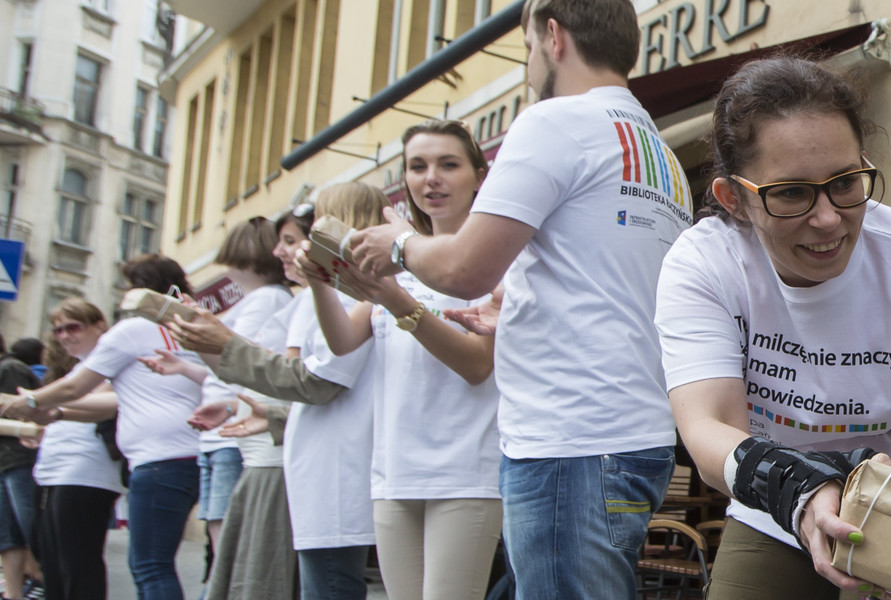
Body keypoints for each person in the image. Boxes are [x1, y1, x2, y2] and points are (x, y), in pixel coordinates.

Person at [349, 2, 693, 598]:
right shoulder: (658, 151)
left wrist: (398, 244)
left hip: (569, 439)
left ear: (553, 37)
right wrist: (518, 310)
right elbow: (610, 286)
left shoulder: (555, 121)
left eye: (528, 48)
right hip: (634, 432)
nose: (529, 64)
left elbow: (462, 267)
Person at [653, 56, 891, 598]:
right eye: (792, 193)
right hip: (772, 505)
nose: (827, 219)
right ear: (735, 199)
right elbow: (708, 432)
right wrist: (801, 489)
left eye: (845, 182)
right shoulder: (705, 263)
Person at [298, 121, 502, 599]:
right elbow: (344, 341)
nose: (431, 177)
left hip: (465, 469)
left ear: (478, 175)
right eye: (418, 166)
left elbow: (477, 366)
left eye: (448, 165)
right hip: (393, 469)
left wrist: (394, 300)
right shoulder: (394, 256)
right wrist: (319, 281)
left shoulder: (493, 259)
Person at [164, 188, 382, 600]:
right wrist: (267, 412)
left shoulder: (350, 292)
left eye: (310, 225)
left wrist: (223, 343)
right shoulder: (333, 293)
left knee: (325, 585)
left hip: (333, 471)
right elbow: (317, 385)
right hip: (316, 466)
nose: (288, 249)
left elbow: (316, 382)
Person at [0, 255, 205, 600]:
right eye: (59, 329)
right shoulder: (192, 328)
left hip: (153, 459)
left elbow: (74, 389)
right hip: (183, 454)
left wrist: (31, 401)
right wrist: (52, 412)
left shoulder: (135, 329)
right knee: (148, 564)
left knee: (148, 566)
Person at [195, 217, 292, 563]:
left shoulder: (265, 299)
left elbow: (238, 360)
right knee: (222, 539)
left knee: (228, 546)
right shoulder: (263, 299)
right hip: (228, 429)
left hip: (234, 431)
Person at [30, 299, 124, 600]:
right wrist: (42, 430)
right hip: (55, 471)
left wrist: (42, 404)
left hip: (86, 471)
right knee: (53, 564)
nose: (64, 336)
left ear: (99, 326)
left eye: (73, 327)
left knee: (78, 564)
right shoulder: (78, 368)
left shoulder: (110, 361)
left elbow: (104, 406)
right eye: (58, 330)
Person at [0, 335, 42, 600]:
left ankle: (42, 582)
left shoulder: (10, 368)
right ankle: (13, 594)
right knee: (7, 536)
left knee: (31, 531)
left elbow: (22, 414)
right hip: (5, 462)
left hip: (20, 459)